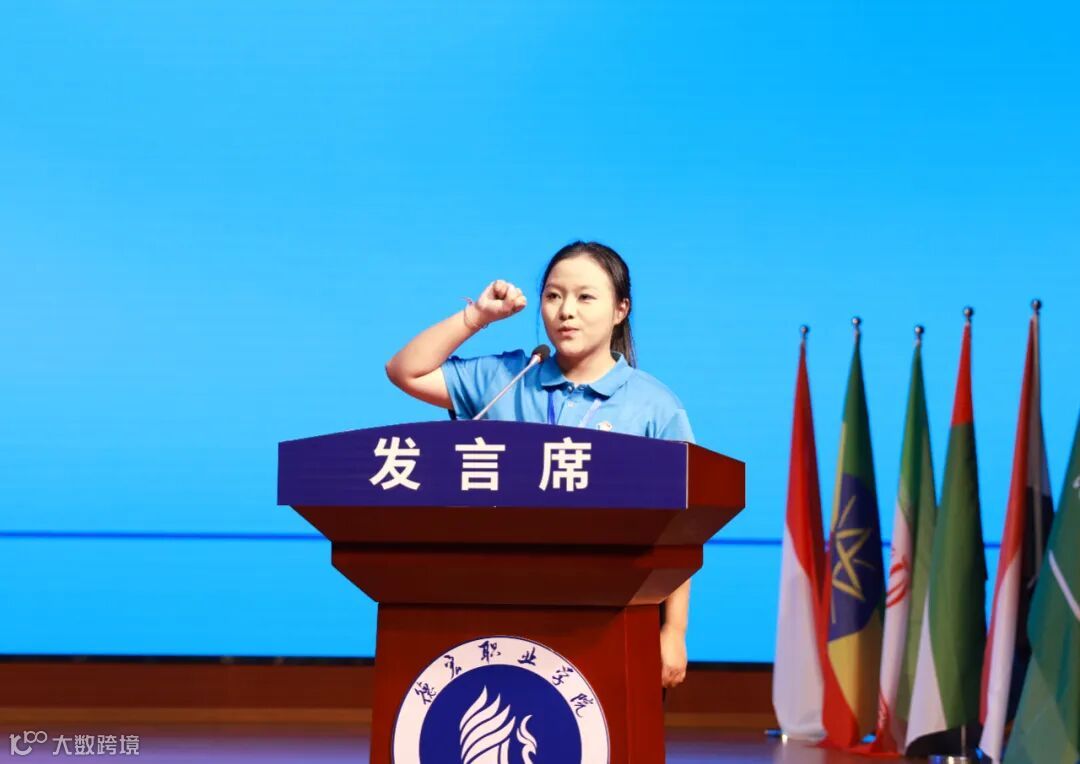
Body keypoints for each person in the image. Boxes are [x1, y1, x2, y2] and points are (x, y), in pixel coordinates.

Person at [385, 240, 693, 689]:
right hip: (501, 616)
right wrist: (476, 317)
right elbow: (405, 371)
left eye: (585, 297)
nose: (566, 311)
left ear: (620, 310)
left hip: (613, 620)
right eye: (553, 296)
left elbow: (681, 528)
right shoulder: (510, 377)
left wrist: (674, 630)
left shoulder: (654, 406)